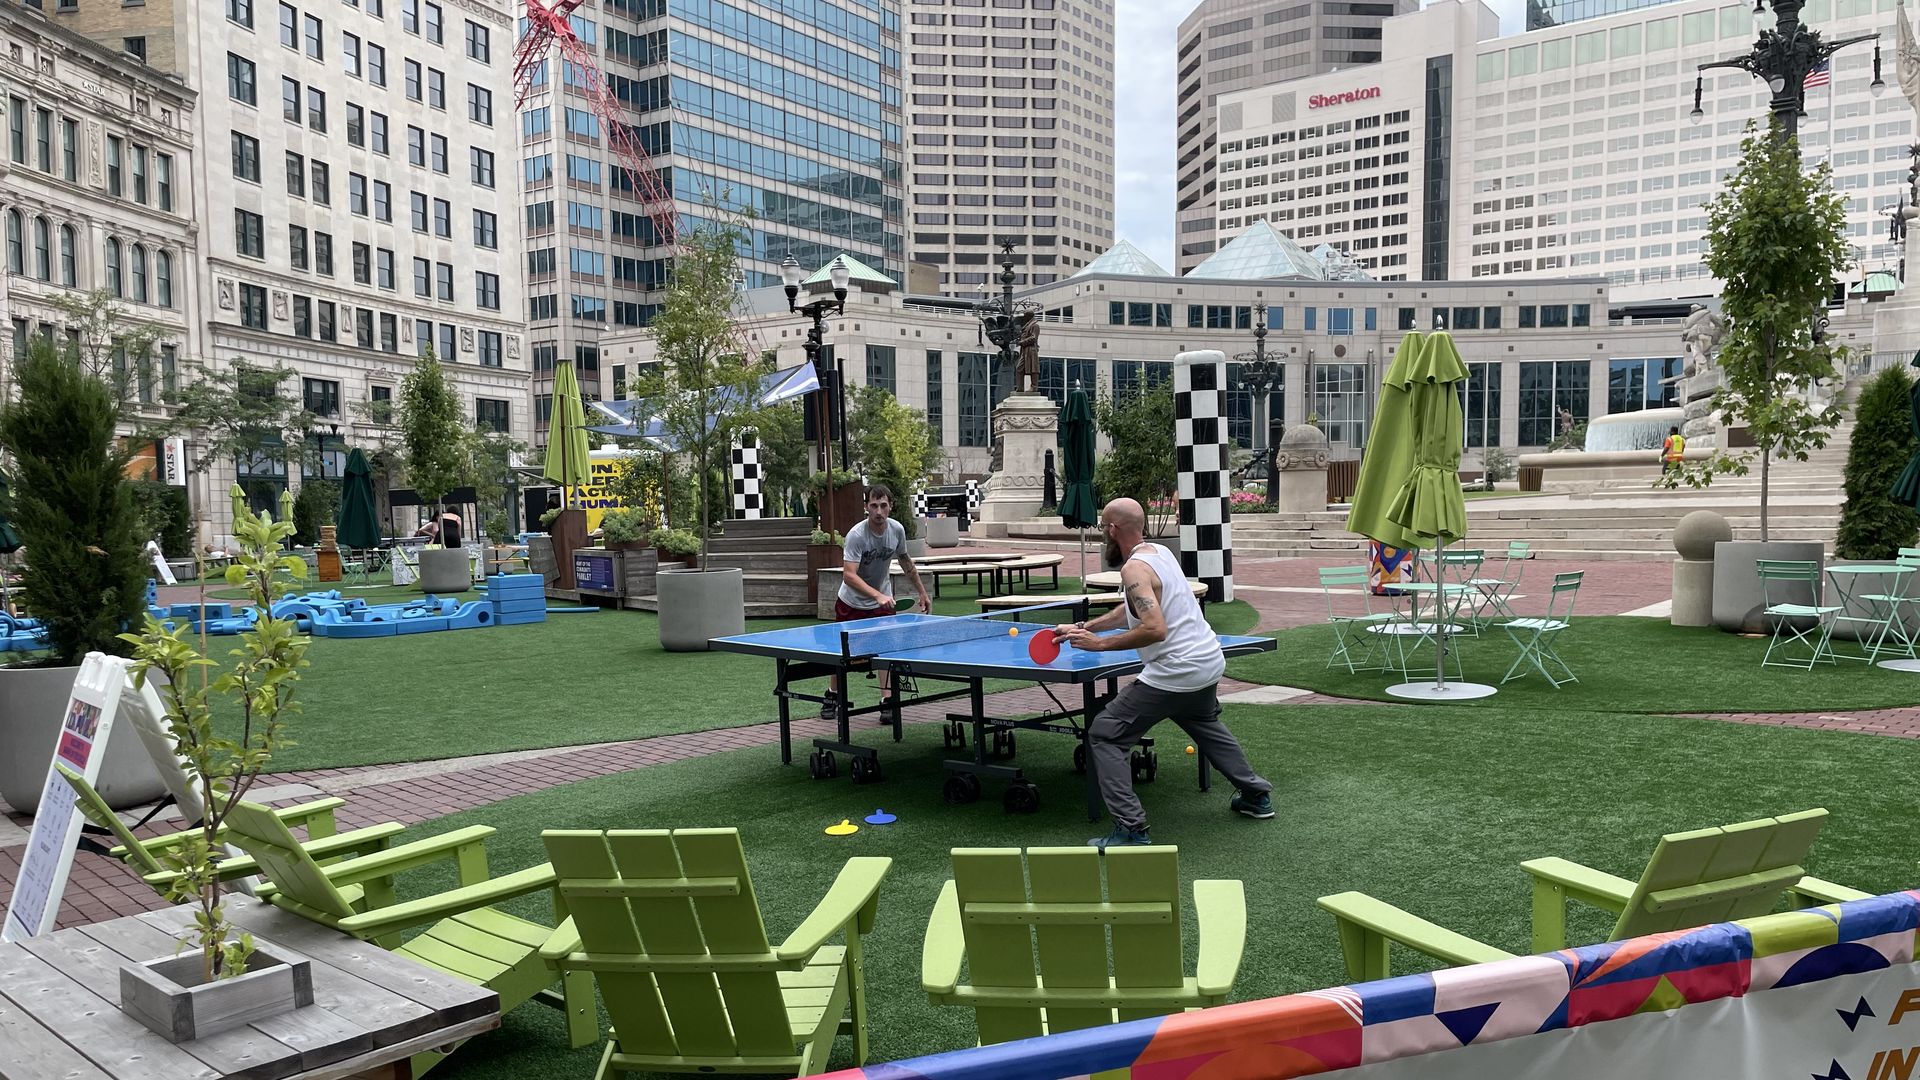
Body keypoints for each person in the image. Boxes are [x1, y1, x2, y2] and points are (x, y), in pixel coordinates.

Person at [1058, 497, 1274, 848]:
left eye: (1102, 528)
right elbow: (1133, 607)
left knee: (1105, 734)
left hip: (1176, 670)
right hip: (1208, 661)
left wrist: (1100, 646)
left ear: (1113, 530)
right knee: (1205, 724)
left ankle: (1131, 828)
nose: (1102, 534)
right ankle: (1256, 796)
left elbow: (1154, 628)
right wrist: (1090, 627)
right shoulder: (1159, 553)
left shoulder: (1133, 570)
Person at [828, 484, 933, 722]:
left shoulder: (896, 530)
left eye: (883, 505)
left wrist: (922, 592)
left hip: (881, 602)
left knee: (885, 650)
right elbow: (849, 575)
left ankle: (886, 700)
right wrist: (876, 595)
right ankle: (832, 695)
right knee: (841, 654)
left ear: (890, 506)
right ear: (866, 507)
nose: (878, 511)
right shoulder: (856, 535)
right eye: (873, 506)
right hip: (851, 602)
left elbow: (906, 562)